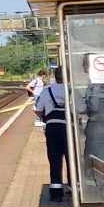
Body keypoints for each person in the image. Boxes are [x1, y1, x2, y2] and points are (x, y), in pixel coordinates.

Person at [35, 65, 69, 196]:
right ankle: (73, 188)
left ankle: (56, 193)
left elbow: (38, 110)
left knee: (54, 159)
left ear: (55, 76)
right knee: (71, 159)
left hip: (52, 128)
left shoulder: (46, 91)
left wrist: (44, 118)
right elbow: (81, 108)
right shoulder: (71, 90)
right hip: (68, 128)